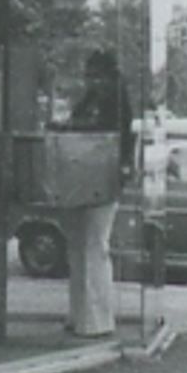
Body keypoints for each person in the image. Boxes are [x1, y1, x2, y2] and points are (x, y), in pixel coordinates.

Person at [61, 48, 133, 336]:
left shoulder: (115, 102)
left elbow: (104, 130)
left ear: (109, 77)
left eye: (97, 77)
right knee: (80, 246)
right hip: (86, 175)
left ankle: (96, 319)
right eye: (89, 77)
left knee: (93, 246)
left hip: (101, 178)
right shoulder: (95, 98)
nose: (93, 83)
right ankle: (81, 314)